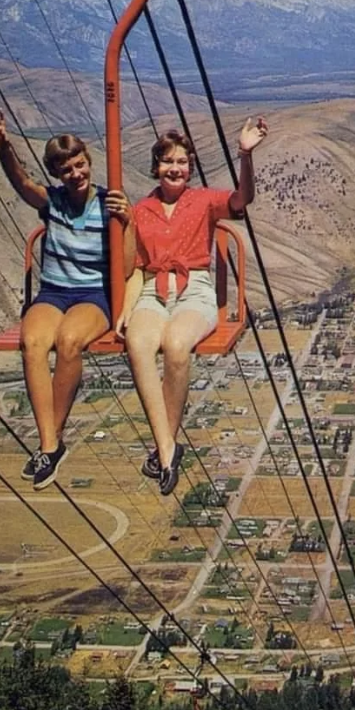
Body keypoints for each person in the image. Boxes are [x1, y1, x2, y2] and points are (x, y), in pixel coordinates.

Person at [0, 107, 133, 490]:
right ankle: (49, 445)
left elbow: (129, 264)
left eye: (80, 166)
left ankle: (52, 439)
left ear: (89, 163)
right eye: (67, 170)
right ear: (57, 173)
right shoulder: (53, 203)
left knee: (68, 341)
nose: (76, 175)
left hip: (93, 294)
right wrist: (4, 149)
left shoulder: (108, 204)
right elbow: (22, 184)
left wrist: (128, 223)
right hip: (54, 290)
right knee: (32, 342)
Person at [118, 117, 268, 496]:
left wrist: (245, 156)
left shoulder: (203, 201)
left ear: (191, 167)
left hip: (194, 288)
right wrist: (125, 307)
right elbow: (136, 268)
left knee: (176, 345)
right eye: (168, 162)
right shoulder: (142, 209)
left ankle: (164, 447)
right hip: (153, 288)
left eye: (182, 162)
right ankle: (167, 446)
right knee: (137, 344)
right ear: (156, 167)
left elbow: (241, 200)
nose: (176, 168)